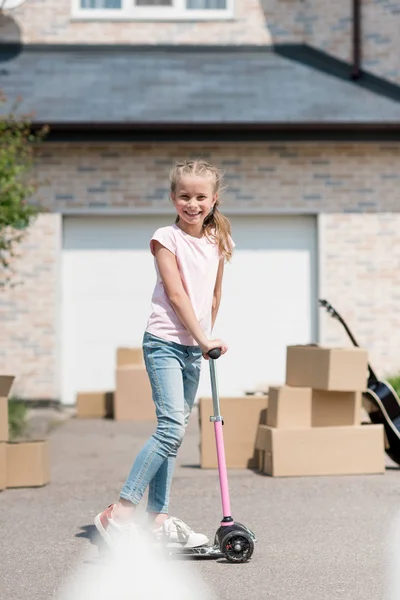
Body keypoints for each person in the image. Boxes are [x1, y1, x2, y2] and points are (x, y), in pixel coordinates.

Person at [94, 159, 235, 550]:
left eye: (201, 196)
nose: (193, 204)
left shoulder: (219, 240)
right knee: (171, 427)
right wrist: (201, 338)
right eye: (185, 196)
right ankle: (119, 512)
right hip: (164, 342)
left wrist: (206, 340)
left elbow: (214, 294)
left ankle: (157, 521)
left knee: (173, 434)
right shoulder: (165, 238)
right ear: (173, 198)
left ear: (214, 199)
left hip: (193, 347)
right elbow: (176, 295)